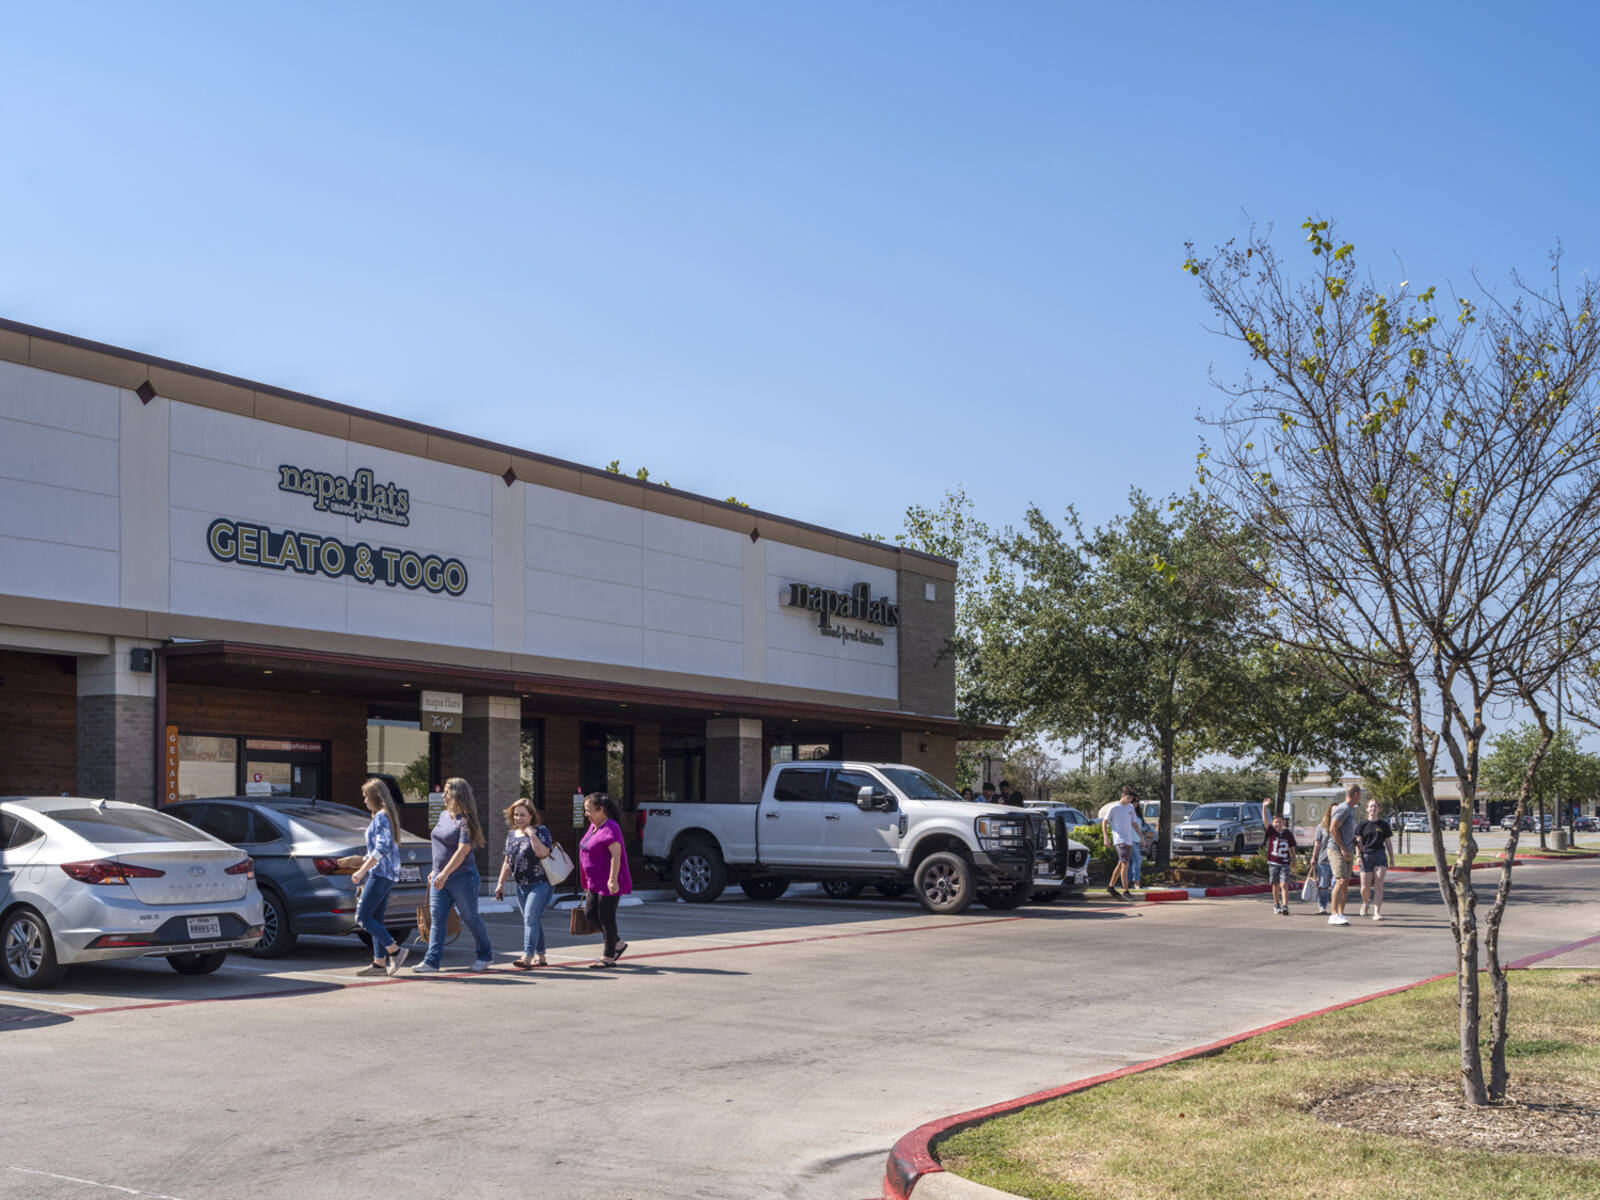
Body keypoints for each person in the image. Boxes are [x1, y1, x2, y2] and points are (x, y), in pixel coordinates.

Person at [412, 777, 494, 973]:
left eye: (447, 791)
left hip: (462, 878)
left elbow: (463, 849)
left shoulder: (464, 819)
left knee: (470, 917)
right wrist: (435, 870)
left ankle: (485, 955)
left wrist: (445, 873)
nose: (443, 795)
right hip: (441, 877)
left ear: (457, 794)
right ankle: (431, 961)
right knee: (437, 918)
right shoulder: (443, 815)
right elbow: (439, 848)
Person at [351, 778, 409, 976]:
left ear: (375, 797)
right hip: (386, 873)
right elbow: (379, 848)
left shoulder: (382, 817)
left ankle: (396, 951)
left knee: (363, 917)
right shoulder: (385, 816)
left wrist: (361, 871)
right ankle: (378, 964)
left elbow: (382, 848)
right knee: (376, 918)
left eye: (366, 796)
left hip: (380, 873)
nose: (364, 800)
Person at [494, 798, 556, 968]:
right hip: (522, 885)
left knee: (529, 919)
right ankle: (541, 956)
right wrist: (500, 884)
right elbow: (507, 862)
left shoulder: (541, 831)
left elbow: (543, 853)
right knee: (532, 920)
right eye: (515, 815)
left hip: (541, 884)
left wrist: (532, 834)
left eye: (522, 815)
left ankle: (527, 956)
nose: (518, 818)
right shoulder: (512, 835)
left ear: (531, 816)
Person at [579, 792, 633, 968]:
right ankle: (617, 944)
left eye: (588, 810)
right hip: (594, 882)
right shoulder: (594, 826)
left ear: (601, 809)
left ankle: (608, 956)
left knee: (606, 917)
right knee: (590, 914)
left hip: (608, 882)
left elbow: (616, 855)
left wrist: (612, 879)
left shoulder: (610, 827)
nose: (586, 814)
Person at [1325, 784, 1360, 926]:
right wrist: (1343, 848)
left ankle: (1340, 913)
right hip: (1336, 850)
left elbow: (1346, 831)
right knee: (1339, 880)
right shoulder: (1344, 808)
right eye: (1360, 795)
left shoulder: (1350, 809)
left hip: (1347, 849)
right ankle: (1333, 914)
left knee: (1345, 882)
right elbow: (1333, 828)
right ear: (1356, 794)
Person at [1353, 797, 1394, 920]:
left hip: (1380, 855)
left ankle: (1377, 912)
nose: (1373, 808)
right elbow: (1357, 842)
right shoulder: (1362, 825)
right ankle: (1365, 903)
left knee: (1378, 886)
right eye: (1371, 806)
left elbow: (1388, 842)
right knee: (1364, 888)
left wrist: (1391, 857)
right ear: (1367, 809)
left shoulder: (1383, 825)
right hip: (1366, 856)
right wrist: (1358, 856)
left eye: (1375, 806)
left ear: (1379, 809)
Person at [1259, 797, 1299, 915]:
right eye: (1276, 821)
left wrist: (1294, 859)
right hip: (1273, 862)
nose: (1278, 823)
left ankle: (1285, 905)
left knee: (1284, 884)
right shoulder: (1272, 831)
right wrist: (1264, 807)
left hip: (1284, 862)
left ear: (1284, 822)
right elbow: (1265, 821)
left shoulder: (1287, 833)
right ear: (1273, 823)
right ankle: (1276, 904)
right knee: (1275, 885)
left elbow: (1292, 846)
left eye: (1280, 821)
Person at [1102, 786, 1140, 898]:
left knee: (1120, 864)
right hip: (1119, 840)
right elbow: (1104, 822)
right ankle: (1126, 891)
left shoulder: (1130, 808)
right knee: (1125, 864)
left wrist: (1141, 837)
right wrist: (1106, 838)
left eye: (1131, 799)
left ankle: (1111, 887)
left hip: (1129, 840)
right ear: (1122, 796)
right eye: (1128, 798)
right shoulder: (1114, 808)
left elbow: (1134, 823)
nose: (1129, 801)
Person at [1308, 807, 1334, 915]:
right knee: (1323, 886)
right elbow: (1317, 843)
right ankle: (1322, 906)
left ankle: (1336, 908)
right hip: (1324, 860)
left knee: (1336, 885)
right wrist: (1314, 857)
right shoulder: (1321, 827)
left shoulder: (1342, 825)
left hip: (1337, 860)